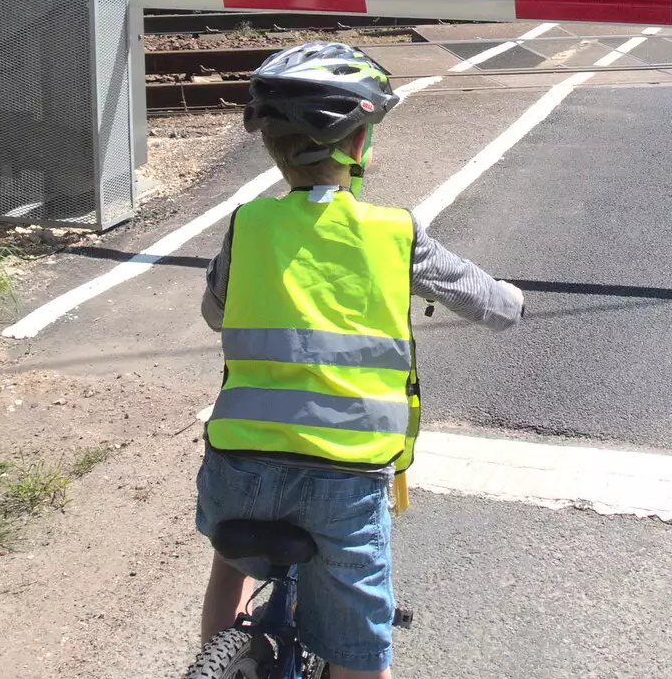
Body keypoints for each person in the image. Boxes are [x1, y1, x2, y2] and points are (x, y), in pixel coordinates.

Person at [195, 42, 524, 679]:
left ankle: (215, 661)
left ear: (273, 146)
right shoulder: (394, 233)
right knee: (358, 647)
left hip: (238, 464)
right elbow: (490, 303)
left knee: (231, 562)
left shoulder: (248, 225)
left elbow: (216, 312)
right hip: (343, 478)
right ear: (356, 145)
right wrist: (516, 298)